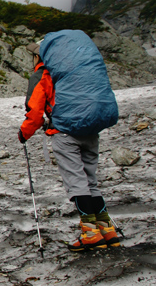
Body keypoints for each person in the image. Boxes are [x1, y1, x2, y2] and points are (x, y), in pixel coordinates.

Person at [18, 41, 120, 252]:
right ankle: (107, 231)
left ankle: (90, 234)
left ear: (39, 56)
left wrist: (23, 133)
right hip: (90, 129)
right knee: (91, 181)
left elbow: (35, 113)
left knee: (77, 182)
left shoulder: (43, 74)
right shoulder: (75, 70)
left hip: (65, 133)